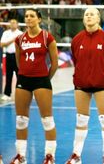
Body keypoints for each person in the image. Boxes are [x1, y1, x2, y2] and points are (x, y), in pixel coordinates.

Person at [65, 7, 104, 164]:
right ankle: (76, 155)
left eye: (92, 14)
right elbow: (76, 61)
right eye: (86, 14)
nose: (88, 16)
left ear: (98, 18)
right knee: (81, 120)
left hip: (102, 84)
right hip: (81, 84)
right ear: (83, 19)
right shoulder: (77, 39)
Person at [10, 9, 58, 164]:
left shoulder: (46, 37)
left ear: (39, 19)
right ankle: (20, 155)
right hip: (23, 81)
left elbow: (55, 63)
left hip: (41, 81)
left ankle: (50, 156)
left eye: (32, 16)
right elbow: (18, 61)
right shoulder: (19, 39)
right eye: (26, 16)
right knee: (21, 120)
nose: (28, 18)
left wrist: (44, 78)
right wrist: (24, 74)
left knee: (47, 120)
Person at [0, 18, 23, 101]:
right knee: (8, 76)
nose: (13, 24)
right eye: (11, 23)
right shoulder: (6, 33)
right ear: (9, 24)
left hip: (18, 57)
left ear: (17, 24)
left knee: (19, 76)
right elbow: (2, 44)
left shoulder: (20, 34)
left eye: (14, 23)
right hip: (9, 56)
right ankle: (7, 94)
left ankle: (20, 93)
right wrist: (12, 40)